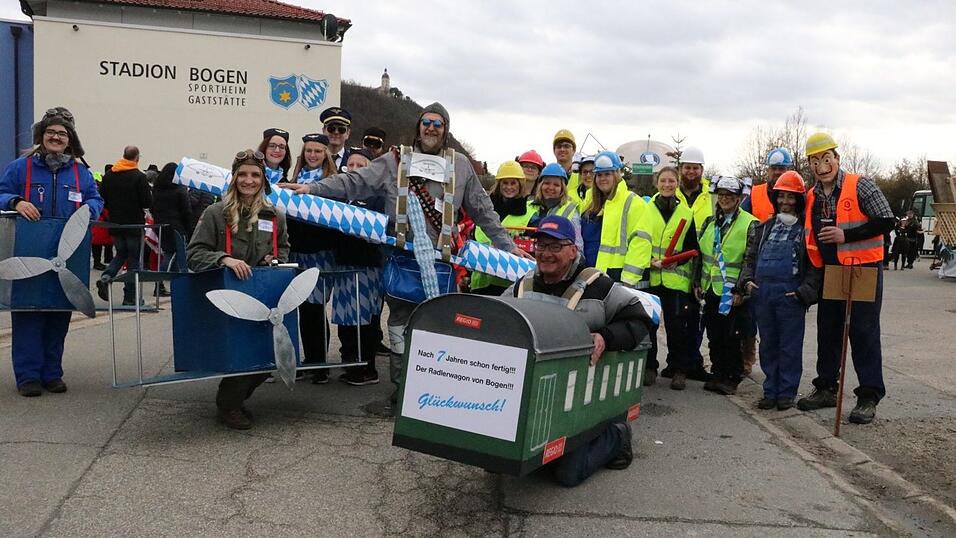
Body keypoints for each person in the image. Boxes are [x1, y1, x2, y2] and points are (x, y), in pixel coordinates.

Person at [279, 102, 528, 404]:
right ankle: (401, 391)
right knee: (398, 325)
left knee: (437, 326)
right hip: (401, 260)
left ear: (445, 130)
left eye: (438, 123)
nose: (431, 128)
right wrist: (315, 189)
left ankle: (434, 389)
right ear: (418, 126)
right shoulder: (394, 160)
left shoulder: (460, 165)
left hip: (441, 262)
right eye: (427, 122)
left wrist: (506, 246)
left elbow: (482, 208)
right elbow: (355, 182)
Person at [505, 215, 652, 486]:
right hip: (537, 395)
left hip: (579, 397)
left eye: (555, 247)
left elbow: (641, 322)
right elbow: (498, 319)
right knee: (503, 462)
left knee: (568, 474)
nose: (546, 254)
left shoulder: (599, 286)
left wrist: (606, 337)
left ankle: (617, 436)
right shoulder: (523, 284)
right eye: (541, 246)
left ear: (573, 250)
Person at [0, 107, 103, 396]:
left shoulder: (80, 172)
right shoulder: (20, 168)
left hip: (68, 256)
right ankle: (28, 377)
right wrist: (17, 201)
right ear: (41, 136)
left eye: (62, 133)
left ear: (70, 139)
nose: (56, 137)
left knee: (59, 315)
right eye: (51, 132)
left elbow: (96, 199)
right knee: (29, 315)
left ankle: (52, 373)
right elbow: (1, 193)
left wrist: (88, 209)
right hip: (29, 252)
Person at [187, 149, 290, 429]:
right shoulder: (215, 213)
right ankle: (228, 405)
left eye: (255, 175)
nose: (249, 180)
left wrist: (275, 259)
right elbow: (194, 254)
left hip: (264, 295)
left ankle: (235, 399)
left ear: (263, 181)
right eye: (243, 174)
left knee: (266, 357)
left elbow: (284, 248)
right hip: (228, 296)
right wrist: (224, 259)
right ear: (234, 179)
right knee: (241, 354)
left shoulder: (275, 216)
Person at [798, 133, 895, 424]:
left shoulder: (860, 184)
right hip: (831, 270)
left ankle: (869, 395)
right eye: (815, 161)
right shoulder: (812, 194)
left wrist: (846, 235)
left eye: (826, 158)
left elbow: (886, 220)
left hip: (862, 269)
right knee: (828, 331)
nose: (821, 165)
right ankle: (825, 387)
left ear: (836, 158)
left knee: (863, 332)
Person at [739, 171, 821, 410]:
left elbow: (816, 266)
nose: (785, 202)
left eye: (791, 197)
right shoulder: (764, 228)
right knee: (768, 346)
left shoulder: (806, 230)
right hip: (763, 294)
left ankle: (786, 393)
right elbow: (750, 258)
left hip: (790, 296)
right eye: (782, 197)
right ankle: (770, 391)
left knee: (789, 347)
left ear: (799, 200)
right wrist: (747, 281)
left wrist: (803, 293)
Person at [623, 166, 699, 389]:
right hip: (651, 277)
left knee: (677, 327)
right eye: (663, 181)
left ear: (677, 184)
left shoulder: (687, 213)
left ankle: (678, 369)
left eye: (671, 181)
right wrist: (648, 262)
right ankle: (650, 367)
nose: (667, 185)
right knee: (650, 325)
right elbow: (637, 241)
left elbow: (692, 246)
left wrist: (679, 260)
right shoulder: (646, 210)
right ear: (657, 183)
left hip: (675, 280)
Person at [695, 177, 758, 395]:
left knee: (733, 336)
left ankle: (732, 376)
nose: (725, 199)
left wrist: (741, 290)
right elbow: (701, 257)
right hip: (711, 288)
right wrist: (697, 282)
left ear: (739, 198)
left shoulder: (751, 223)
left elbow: (750, 260)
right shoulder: (710, 223)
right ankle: (718, 372)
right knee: (715, 334)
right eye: (721, 195)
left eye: (730, 196)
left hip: (733, 293)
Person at [668, 146, 713, 382]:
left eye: (695, 168)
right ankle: (678, 363)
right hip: (675, 264)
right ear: (681, 169)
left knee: (696, 316)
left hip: (701, 263)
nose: (691, 171)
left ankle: (692, 362)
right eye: (687, 167)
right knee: (679, 318)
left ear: (702, 170)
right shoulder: (671, 193)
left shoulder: (710, 197)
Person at [96, 146, 152, 305]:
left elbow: (102, 198)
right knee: (134, 259)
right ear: (137, 158)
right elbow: (147, 201)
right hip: (134, 224)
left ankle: (106, 277)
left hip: (114, 223)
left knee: (121, 253)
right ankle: (130, 297)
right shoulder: (139, 177)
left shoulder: (109, 176)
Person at [579, 151, 646, 280]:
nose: (603, 178)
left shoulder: (635, 203)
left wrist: (629, 279)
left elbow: (640, 244)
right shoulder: (589, 203)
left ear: (617, 174)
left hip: (615, 277)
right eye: (599, 174)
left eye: (607, 174)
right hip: (586, 274)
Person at [471, 161, 532, 296]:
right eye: (505, 183)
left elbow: (529, 250)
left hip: (511, 286)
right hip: (481, 282)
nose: (509, 187)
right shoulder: (483, 209)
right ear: (499, 184)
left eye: (513, 183)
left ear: (520, 185)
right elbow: (474, 239)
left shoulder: (531, 212)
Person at [150, 162, 193, 293]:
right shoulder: (179, 190)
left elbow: (152, 208)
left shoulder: (156, 190)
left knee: (169, 254)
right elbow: (186, 211)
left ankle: (172, 284)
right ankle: (160, 283)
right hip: (177, 227)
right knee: (174, 255)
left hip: (161, 225)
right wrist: (189, 229)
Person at [526, 163, 583, 250]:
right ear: (540, 185)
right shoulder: (527, 205)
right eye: (547, 183)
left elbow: (578, 248)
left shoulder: (571, 210)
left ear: (562, 188)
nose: (551, 187)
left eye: (556, 185)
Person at [742, 148, 795, 222]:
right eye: (773, 168)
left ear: (789, 170)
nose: (777, 172)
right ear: (768, 171)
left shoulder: (798, 195)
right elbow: (741, 218)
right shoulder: (754, 194)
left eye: (781, 168)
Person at [91, 165, 114, 270]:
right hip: (103, 215)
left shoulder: (101, 180)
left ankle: (101, 261)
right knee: (102, 240)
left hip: (100, 216)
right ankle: (104, 260)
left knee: (99, 241)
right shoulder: (108, 183)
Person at [320, 107, 353, 172]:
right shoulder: (313, 158)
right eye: (331, 129)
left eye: (341, 129)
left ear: (348, 133)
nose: (336, 132)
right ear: (323, 131)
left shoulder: (354, 160)